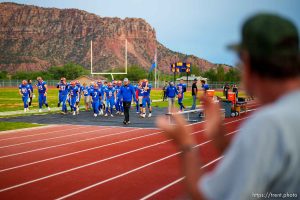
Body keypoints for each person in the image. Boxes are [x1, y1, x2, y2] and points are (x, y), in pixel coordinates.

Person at [156, 13, 300, 199]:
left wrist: (186, 145)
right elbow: (257, 163)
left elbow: (205, 196)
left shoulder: (269, 123)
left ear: (248, 63)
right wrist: (219, 137)